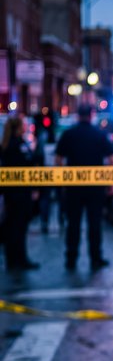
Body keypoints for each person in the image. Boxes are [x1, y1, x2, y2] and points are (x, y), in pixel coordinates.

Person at [55, 104, 113, 271]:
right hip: (95, 188)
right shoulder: (99, 134)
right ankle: (95, 258)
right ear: (91, 115)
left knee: (73, 224)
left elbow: (58, 159)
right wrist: (111, 183)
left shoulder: (68, 134)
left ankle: (71, 259)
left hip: (73, 188)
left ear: (78, 116)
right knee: (94, 224)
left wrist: (62, 180)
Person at [0, 115, 39, 270]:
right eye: (24, 124)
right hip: (19, 192)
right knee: (18, 226)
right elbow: (27, 164)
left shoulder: (8, 144)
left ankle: (14, 259)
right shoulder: (17, 145)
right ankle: (18, 259)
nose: (26, 126)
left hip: (13, 192)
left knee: (14, 226)